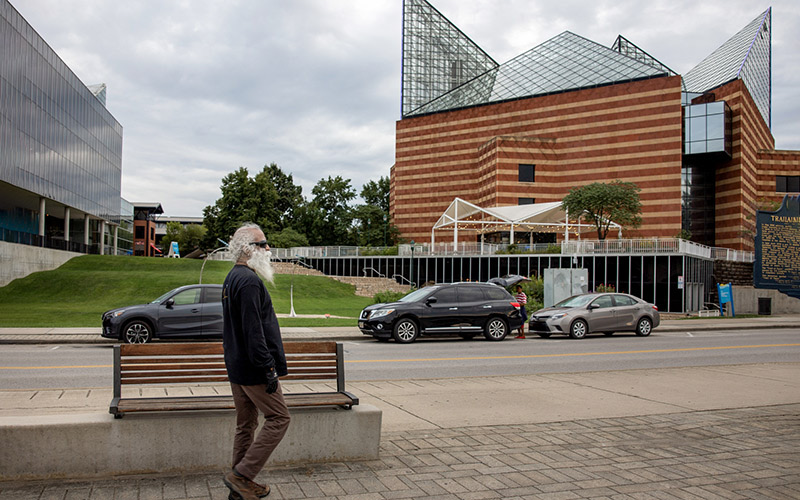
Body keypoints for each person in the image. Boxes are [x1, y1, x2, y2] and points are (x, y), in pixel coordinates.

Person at [221, 223, 290, 500]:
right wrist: (269, 368)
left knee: (246, 425)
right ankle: (242, 475)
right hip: (253, 369)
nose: (268, 248)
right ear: (248, 248)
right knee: (279, 418)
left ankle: (240, 487)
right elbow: (253, 331)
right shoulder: (248, 281)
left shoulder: (233, 277)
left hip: (238, 366)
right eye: (263, 244)